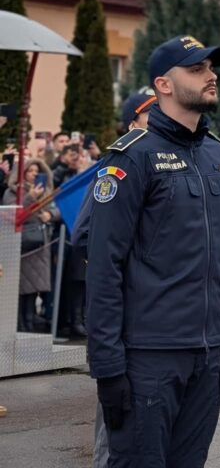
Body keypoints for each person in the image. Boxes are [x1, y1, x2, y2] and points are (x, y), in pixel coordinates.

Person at [85, 35, 220, 468]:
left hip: (207, 356)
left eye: (211, 68)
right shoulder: (132, 159)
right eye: (196, 69)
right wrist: (108, 367)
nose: (211, 76)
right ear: (163, 84)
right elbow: (104, 267)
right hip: (148, 356)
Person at [74, 89, 155, 468]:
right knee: (117, 430)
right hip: (127, 312)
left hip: (164, 323)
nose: (158, 116)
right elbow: (87, 235)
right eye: (149, 112)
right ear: (132, 122)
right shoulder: (122, 163)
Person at [2, 158, 55, 331]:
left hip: (40, 244)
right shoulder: (12, 192)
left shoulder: (46, 190)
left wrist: (50, 214)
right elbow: (12, 213)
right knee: (20, 288)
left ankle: (30, 322)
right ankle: (20, 326)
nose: (34, 174)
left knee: (34, 287)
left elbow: (56, 208)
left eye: (36, 171)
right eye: (30, 171)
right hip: (21, 243)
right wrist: (30, 197)